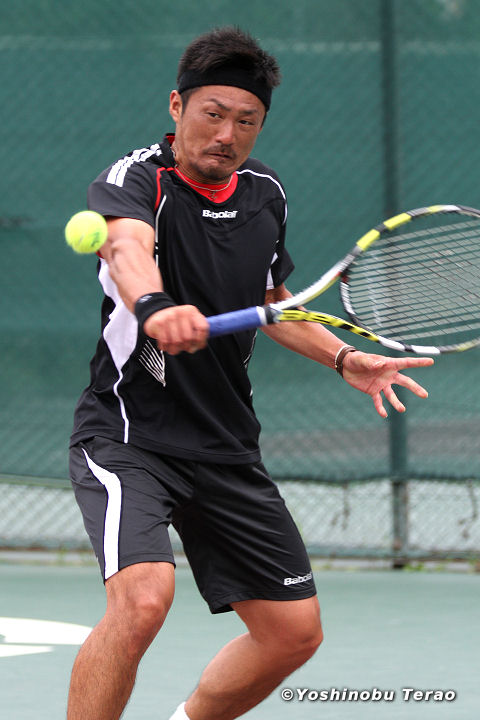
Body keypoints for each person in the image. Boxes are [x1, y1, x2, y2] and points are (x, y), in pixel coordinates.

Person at [67, 26, 433, 720]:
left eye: (246, 120)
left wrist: (345, 357)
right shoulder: (137, 180)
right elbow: (126, 248)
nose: (226, 134)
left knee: (292, 634)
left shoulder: (265, 194)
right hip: (129, 436)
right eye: (213, 114)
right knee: (142, 601)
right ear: (176, 106)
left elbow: (271, 305)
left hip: (226, 444)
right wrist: (156, 306)